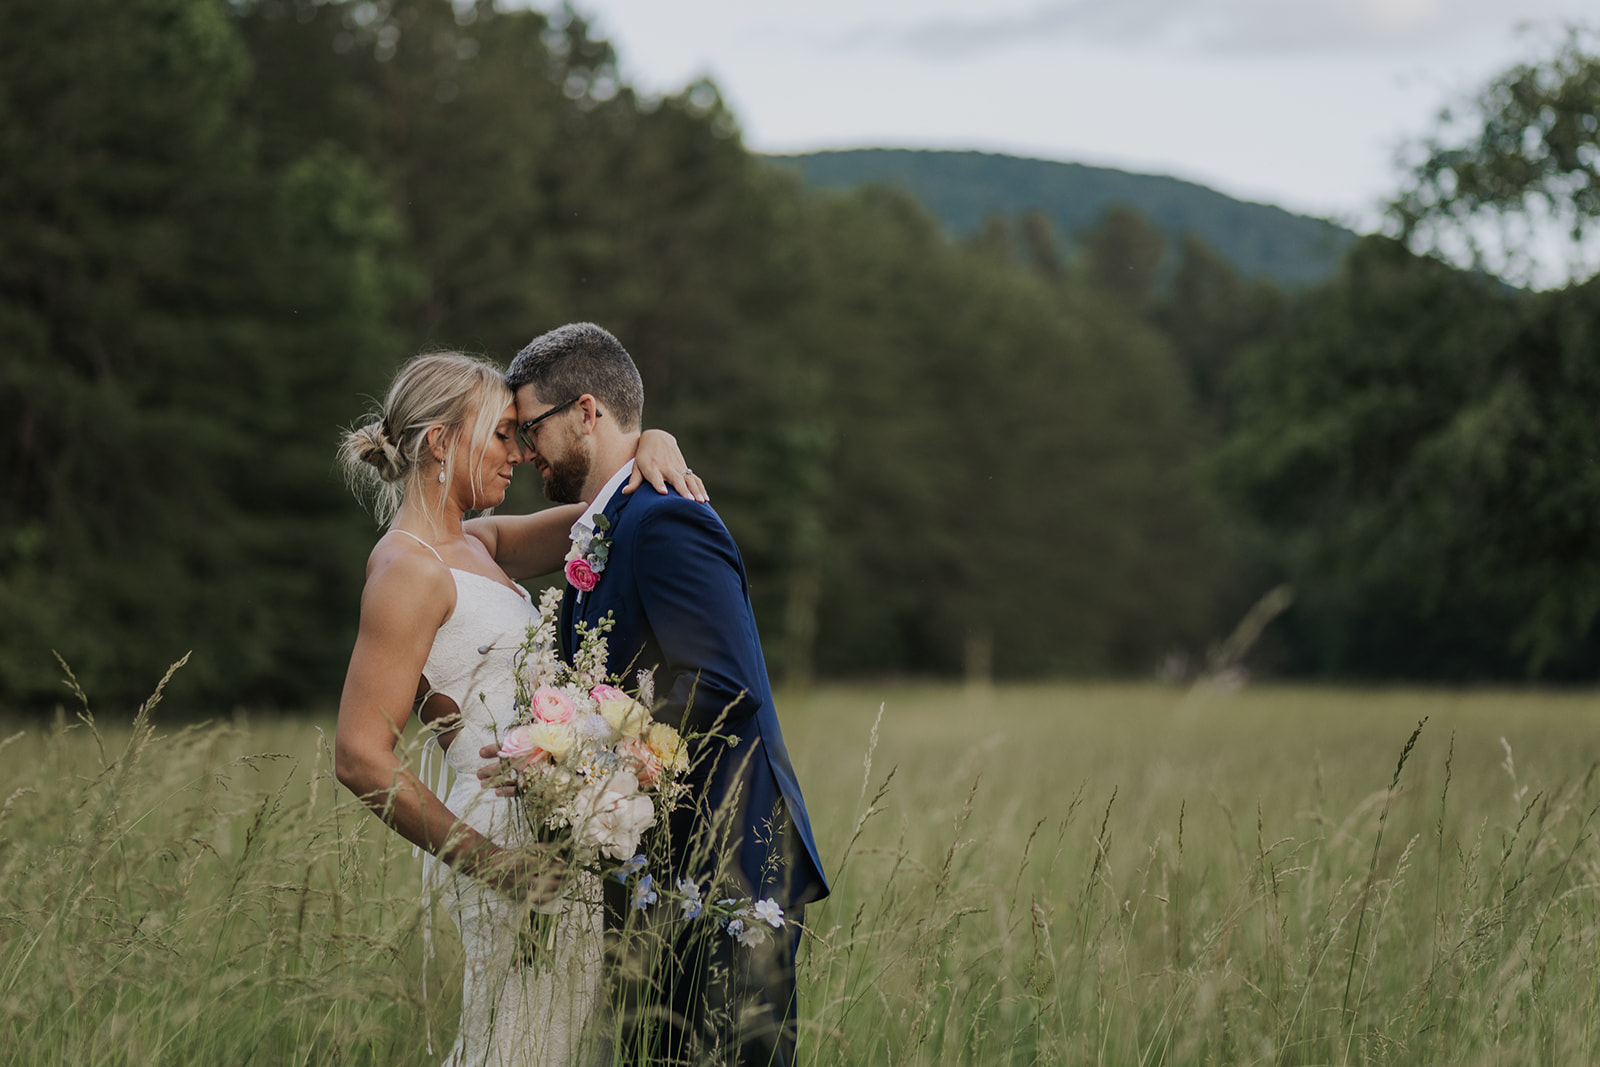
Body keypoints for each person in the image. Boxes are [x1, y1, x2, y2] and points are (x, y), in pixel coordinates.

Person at [332, 350, 704, 1067]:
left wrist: (651, 441)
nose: (521, 451)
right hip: (501, 832)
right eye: (502, 433)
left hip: (547, 815)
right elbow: (359, 755)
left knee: (541, 1040)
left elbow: (607, 511)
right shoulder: (407, 567)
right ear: (440, 441)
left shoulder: (473, 541)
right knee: (521, 1044)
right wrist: (494, 863)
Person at [475, 323, 829, 1066]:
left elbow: (723, 684)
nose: (525, 450)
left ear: (586, 411)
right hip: (653, 876)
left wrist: (570, 752)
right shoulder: (607, 521)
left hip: (724, 865)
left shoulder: (665, 515)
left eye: (530, 427)